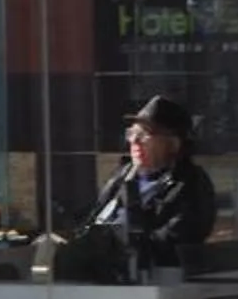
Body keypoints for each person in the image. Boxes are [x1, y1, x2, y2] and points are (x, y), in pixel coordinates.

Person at [88, 96, 219, 275]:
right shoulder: (123, 175)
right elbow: (93, 220)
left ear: (173, 144)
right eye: (131, 133)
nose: (134, 141)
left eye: (144, 135)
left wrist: (127, 242)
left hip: (151, 280)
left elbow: (174, 243)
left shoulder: (190, 183)